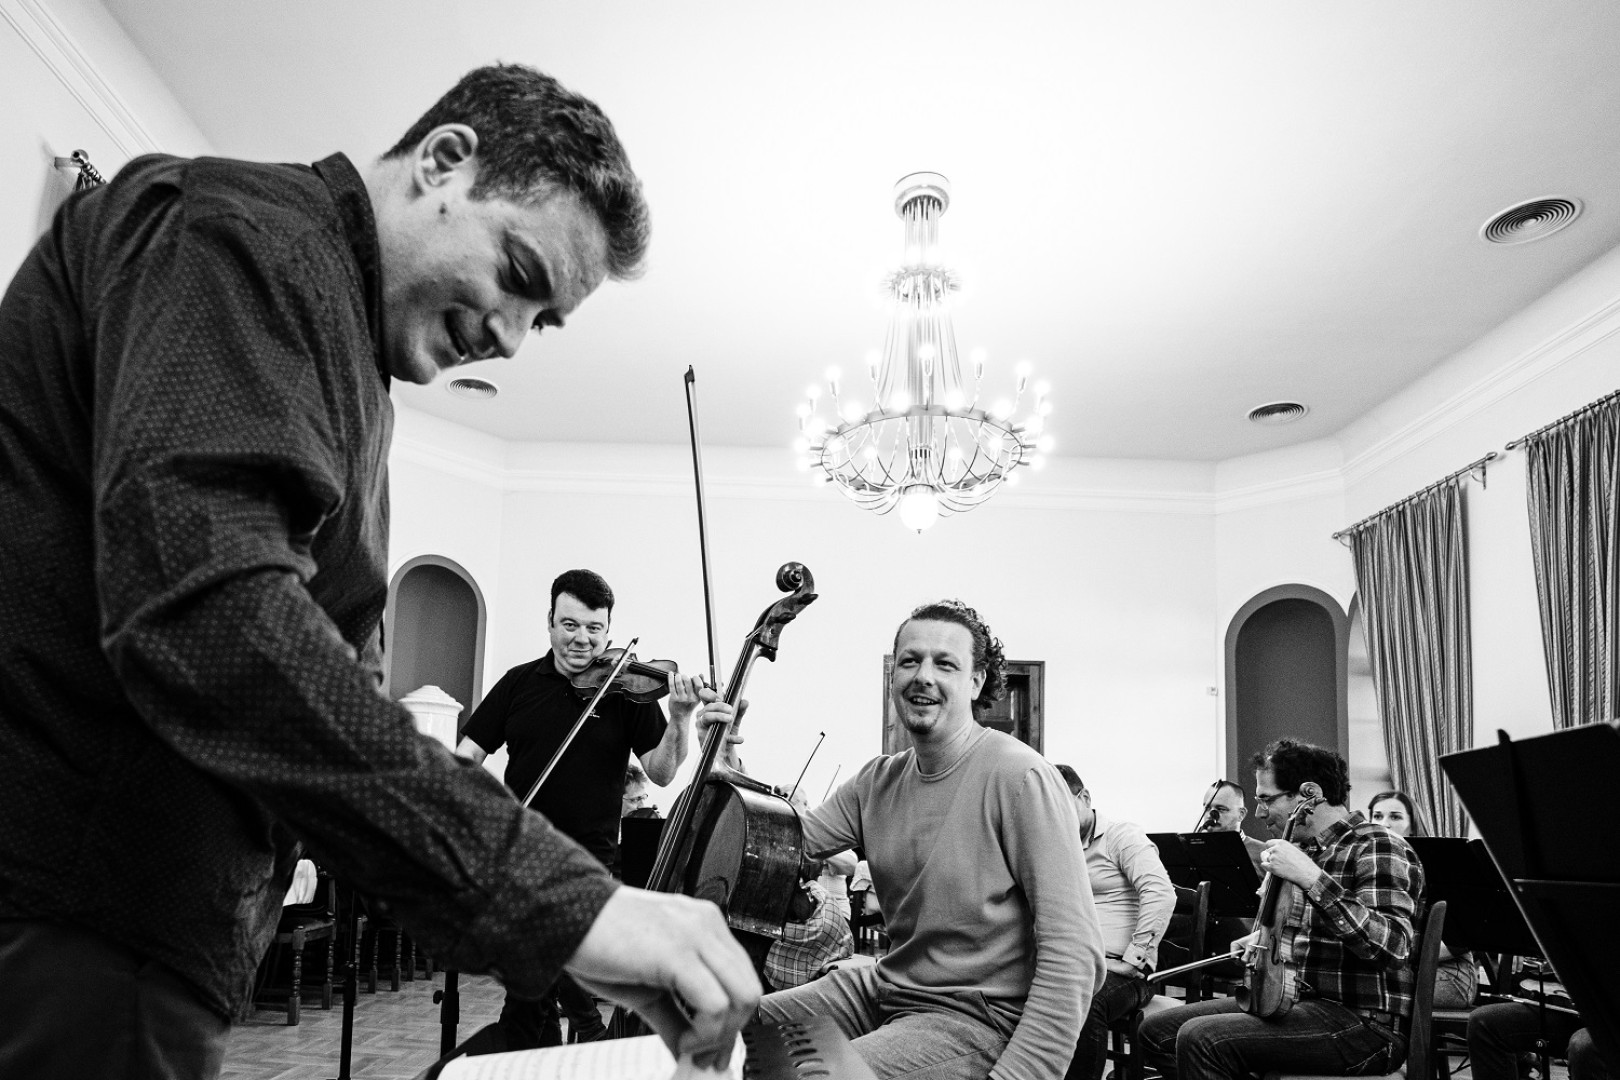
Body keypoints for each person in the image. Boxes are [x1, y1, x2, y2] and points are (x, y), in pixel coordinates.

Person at [0, 63, 758, 1079]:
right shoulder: (245, 240)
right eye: (519, 273)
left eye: (544, 321)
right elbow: (214, 621)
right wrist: (567, 903)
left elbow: (335, 679)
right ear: (444, 161)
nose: (512, 338)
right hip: (73, 912)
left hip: (144, 932)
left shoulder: (355, 375)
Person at [758, 600, 1105, 1080]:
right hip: (886, 989)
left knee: (812, 1076)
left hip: (975, 1016)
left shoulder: (1022, 777)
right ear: (893, 675)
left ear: (976, 682)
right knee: (728, 1029)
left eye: (945, 664)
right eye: (910, 660)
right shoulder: (876, 781)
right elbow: (778, 846)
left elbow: (1074, 951)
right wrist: (721, 752)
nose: (923, 676)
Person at [454, 567, 730, 1049]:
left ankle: (582, 1035)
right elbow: (466, 757)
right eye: (570, 625)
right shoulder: (518, 684)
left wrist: (680, 718)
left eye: (594, 628)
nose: (582, 639)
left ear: (608, 629)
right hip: (520, 854)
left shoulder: (626, 690)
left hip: (587, 860)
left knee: (535, 983)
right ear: (550, 622)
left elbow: (662, 771)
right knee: (533, 994)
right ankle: (572, 1047)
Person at [1138, 738, 1424, 1080]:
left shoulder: (1376, 845)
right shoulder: (1303, 849)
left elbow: (1393, 947)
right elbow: (1308, 932)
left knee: (1200, 1038)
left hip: (1364, 1024)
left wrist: (1312, 878)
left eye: (1266, 799)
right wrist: (1261, 939)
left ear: (1308, 795)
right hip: (1296, 1002)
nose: (1259, 813)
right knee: (1155, 1032)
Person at [1057, 765, 1176, 1080]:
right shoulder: (1056, 844)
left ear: (1085, 797)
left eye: (1062, 806)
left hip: (1125, 971)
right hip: (1074, 963)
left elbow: (1161, 893)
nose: (1056, 817)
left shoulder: (1122, 835)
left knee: (1085, 1000)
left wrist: (1133, 958)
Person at [1366, 789, 1478, 1009]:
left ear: (1413, 824)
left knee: (1365, 992)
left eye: (1395, 817)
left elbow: (1462, 941)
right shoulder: (1372, 862)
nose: (1384, 824)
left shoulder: (1438, 862)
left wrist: (1400, 955)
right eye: (1377, 816)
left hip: (1447, 974)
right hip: (1397, 969)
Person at [1199, 779, 1266, 878]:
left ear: (1241, 814)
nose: (1210, 815)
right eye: (1207, 808)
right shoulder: (1197, 850)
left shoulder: (1263, 853)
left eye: (1221, 809)